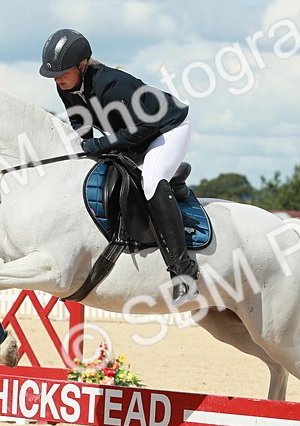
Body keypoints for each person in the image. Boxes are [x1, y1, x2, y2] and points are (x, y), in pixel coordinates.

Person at [39, 28, 198, 303]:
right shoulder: (66, 86)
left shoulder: (111, 84)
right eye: (54, 75)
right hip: (135, 137)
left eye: (63, 72)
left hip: (166, 128)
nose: (58, 79)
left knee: (150, 179)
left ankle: (183, 272)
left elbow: (143, 129)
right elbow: (81, 125)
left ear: (82, 65)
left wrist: (100, 146)